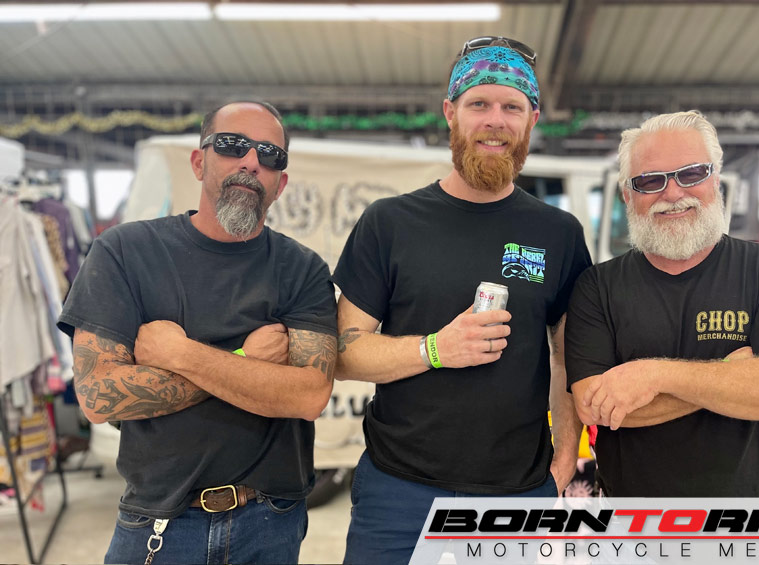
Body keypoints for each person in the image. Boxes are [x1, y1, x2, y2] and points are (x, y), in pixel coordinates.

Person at [332, 36, 592, 563]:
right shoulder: (389, 223)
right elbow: (342, 351)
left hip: (518, 492)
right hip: (397, 491)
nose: (495, 121)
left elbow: (568, 356)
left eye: (511, 107)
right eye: (479, 104)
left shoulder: (559, 233)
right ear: (450, 113)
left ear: (532, 120)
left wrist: (565, 455)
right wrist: (434, 349)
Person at [58, 101, 337, 564]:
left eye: (270, 155)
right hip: (159, 519)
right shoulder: (124, 252)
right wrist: (248, 362)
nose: (251, 161)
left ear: (281, 183)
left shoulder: (302, 268)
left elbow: (308, 395)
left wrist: (180, 354)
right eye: (232, 145)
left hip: (270, 520)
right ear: (198, 162)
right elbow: (98, 396)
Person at [565, 110, 759, 497]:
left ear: (715, 179)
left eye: (691, 174)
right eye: (650, 181)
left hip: (749, 525)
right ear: (627, 195)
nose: (672, 194)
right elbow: (592, 406)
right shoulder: (597, 286)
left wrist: (654, 376)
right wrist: (732, 375)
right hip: (630, 525)